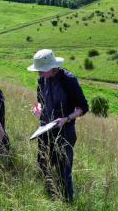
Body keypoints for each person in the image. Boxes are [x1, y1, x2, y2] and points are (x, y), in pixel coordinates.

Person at [27, 49, 88, 202]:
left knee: (63, 170)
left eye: (41, 70)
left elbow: (83, 107)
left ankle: (67, 201)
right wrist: (39, 108)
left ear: (51, 68)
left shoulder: (68, 80)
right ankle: (50, 193)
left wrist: (66, 118)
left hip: (64, 131)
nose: (38, 74)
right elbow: (40, 100)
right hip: (45, 128)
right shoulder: (42, 80)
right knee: (43, 161)